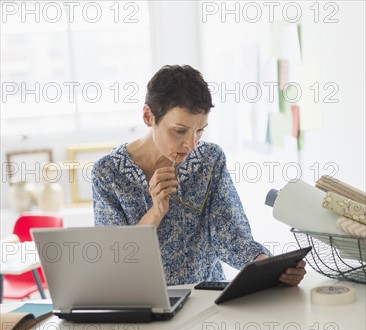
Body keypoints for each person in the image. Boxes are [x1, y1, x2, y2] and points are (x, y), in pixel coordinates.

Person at [92, 64, 306, 286]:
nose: (191, 144)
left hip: (205, 301)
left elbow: (230, 236)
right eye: (180, 131)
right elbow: (114, 261)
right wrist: (156, 212)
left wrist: (270, 268)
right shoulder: (107, 173)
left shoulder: (209, 160)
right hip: (144, 303)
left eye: (200, 130)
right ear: (148, 116)